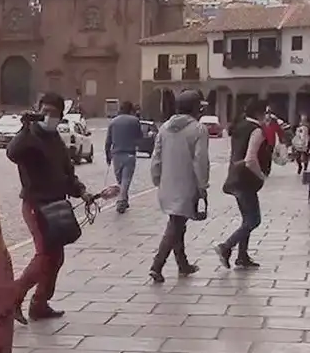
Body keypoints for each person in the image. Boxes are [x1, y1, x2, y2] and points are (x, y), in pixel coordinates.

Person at [7, 91, 93, 324]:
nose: (48, 117)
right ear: (37, 111)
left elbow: (67, 174)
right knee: (45, 256)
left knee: (55, 258)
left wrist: (82, 191)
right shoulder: (30, 137)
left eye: (53, 113)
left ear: (61, 116)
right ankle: (14, 296)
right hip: (36, 205)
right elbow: (13, 153)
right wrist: (25, 127)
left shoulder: (56, 140)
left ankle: (40, 304)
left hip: (56, 205)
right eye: (44, 112)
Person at [149, 90, 210, 283]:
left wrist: (156, 178)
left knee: (178, 223)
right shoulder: (198, 129)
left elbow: (156, 157)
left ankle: (182, 263)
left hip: (167, 183)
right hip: (187, 184)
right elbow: (200, 160)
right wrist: (202, 184)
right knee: (176, 225)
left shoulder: (164, 128)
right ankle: (157, 265)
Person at [216, 98, 271, 269]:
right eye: (266, 112)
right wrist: (261, 176)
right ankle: (225, 247)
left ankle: (242, 256)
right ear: (259, 113)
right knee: (254, 220)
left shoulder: (239, 126)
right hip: (246, 180)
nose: (268, 116)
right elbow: (250, 159)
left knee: (247, 219)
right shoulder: (256, 130)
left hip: (235, 176)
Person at [105, 100, 143, 213]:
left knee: (120, 180)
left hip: (116, 155)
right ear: (131, 110)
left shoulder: (113, 122)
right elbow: (140, 136)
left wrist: (108, 155)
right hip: (130, 154)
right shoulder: (135, 121)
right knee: (126, 180)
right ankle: (121, 201)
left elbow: (108, 141)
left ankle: (124, 200)